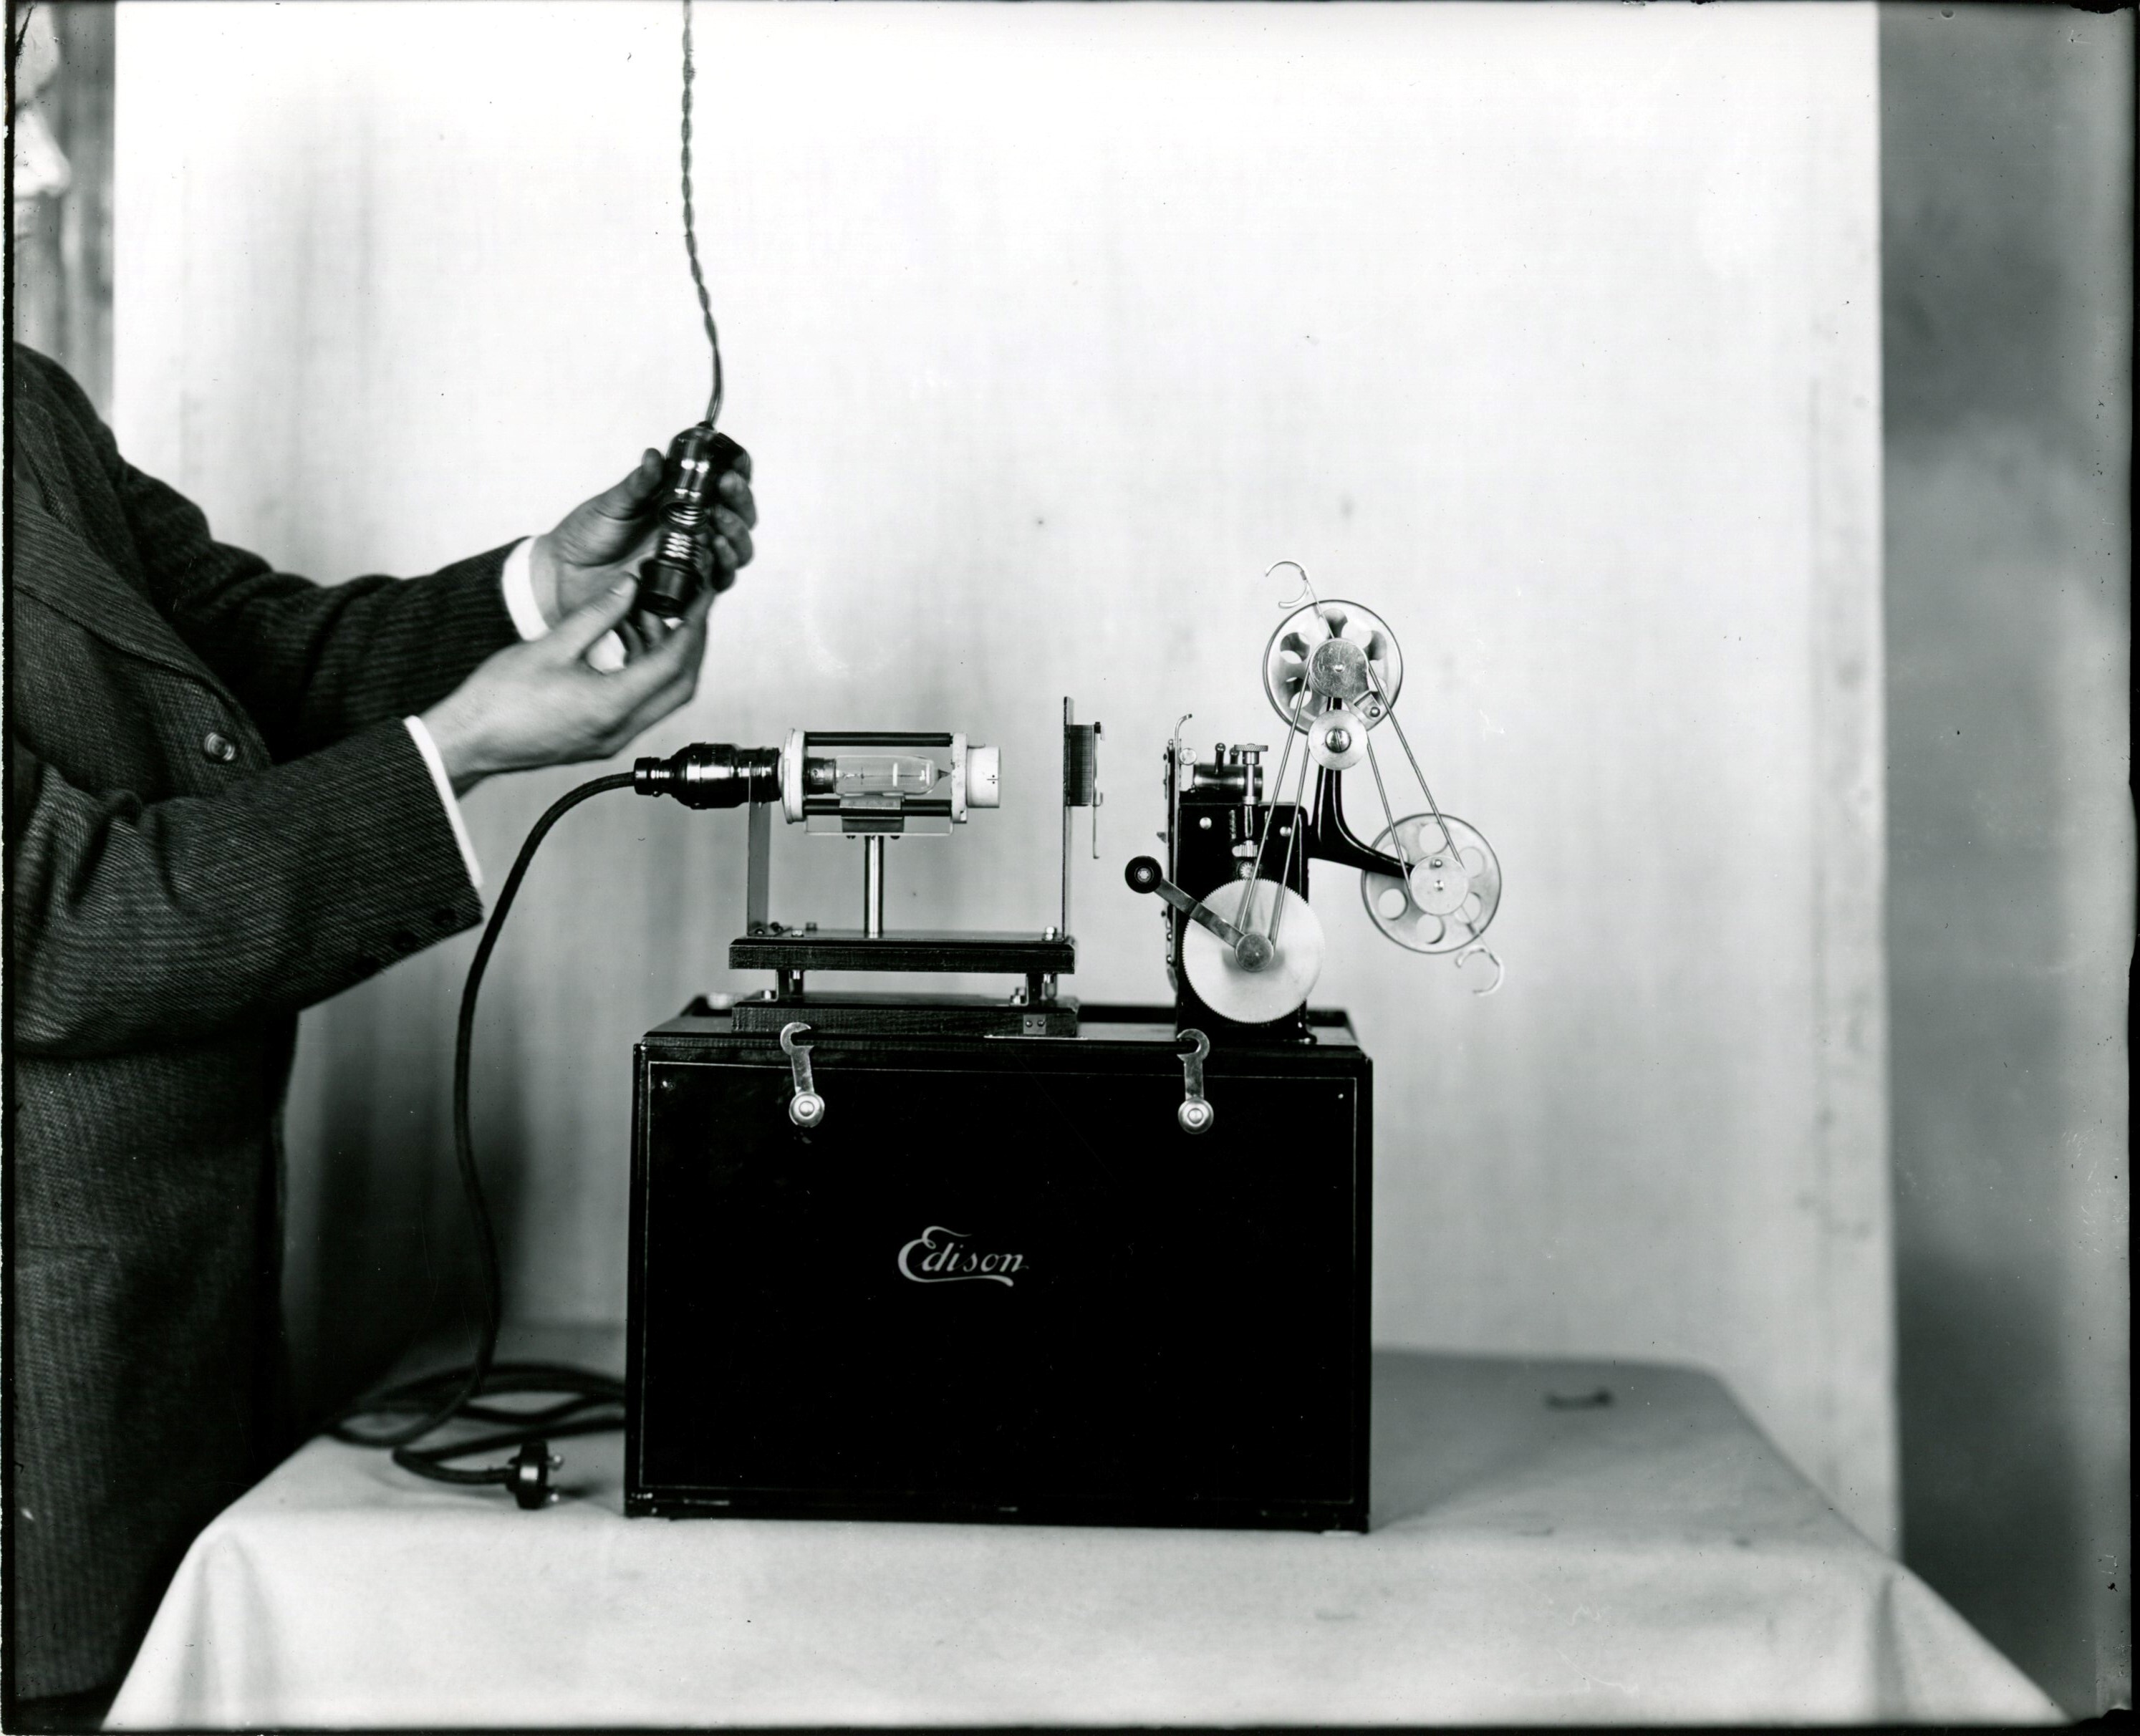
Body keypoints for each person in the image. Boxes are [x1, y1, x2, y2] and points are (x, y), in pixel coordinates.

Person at [3, 332, 758, 1725]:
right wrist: (456, 751)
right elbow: (52, 923)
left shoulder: (21, 390)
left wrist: (541, 590)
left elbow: (237, 662)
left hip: (158, 1362)